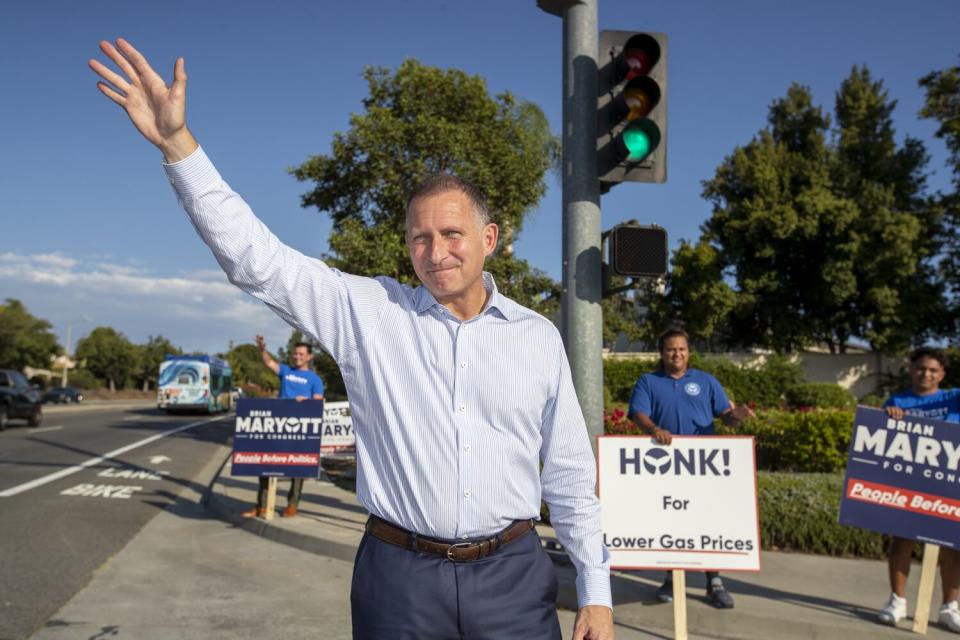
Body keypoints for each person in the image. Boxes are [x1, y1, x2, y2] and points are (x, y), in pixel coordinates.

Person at [89, 38, 613, 640]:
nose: (435, 252)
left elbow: (570, 474)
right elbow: (258, 260)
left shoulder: (538, 337)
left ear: (489, 237)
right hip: (400, 581)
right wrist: (179, 145)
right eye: (420, 237)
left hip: (514, 579)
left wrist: (596, 592)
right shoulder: (369, 313)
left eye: (452, 233)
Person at [628, 327, 755, 609]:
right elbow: (638, 414)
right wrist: (654, 429)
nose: (677, 354)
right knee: (671, 520)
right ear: (662, 353)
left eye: (682, 349)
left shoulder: (706, 382)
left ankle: (714, 581)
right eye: (671, 349)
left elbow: (726, 417)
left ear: (689, 352)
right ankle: (671, 578)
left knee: (706, 521)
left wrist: (737, 416)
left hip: (702, 467)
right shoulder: (648, 381)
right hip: (665, 465)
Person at [878, 347, 960, 632]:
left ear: (942, 374)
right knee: (902, 541)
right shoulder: (897, 400)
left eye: (933, 370)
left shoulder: (953, 398)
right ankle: (897, 601)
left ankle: (950, 608)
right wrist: (888, 416)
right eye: (921, 368)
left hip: (949, 486)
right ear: (911, 370)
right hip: (910, 485)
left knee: (952, 546)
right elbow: (880, 437)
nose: (926, 374)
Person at [242, 335, 325, 519]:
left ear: (309, 357)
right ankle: (262, 505)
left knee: (298, 467)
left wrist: (306, 402)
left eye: (301, 354)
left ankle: (292, 505)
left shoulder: (315, 380)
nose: (297, 357)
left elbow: (318, 404)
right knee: (266, 464)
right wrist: (262, 348)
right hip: (278, 427)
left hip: (300, 430)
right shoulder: (286, 371)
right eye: (295, 353)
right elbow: (269, 362)